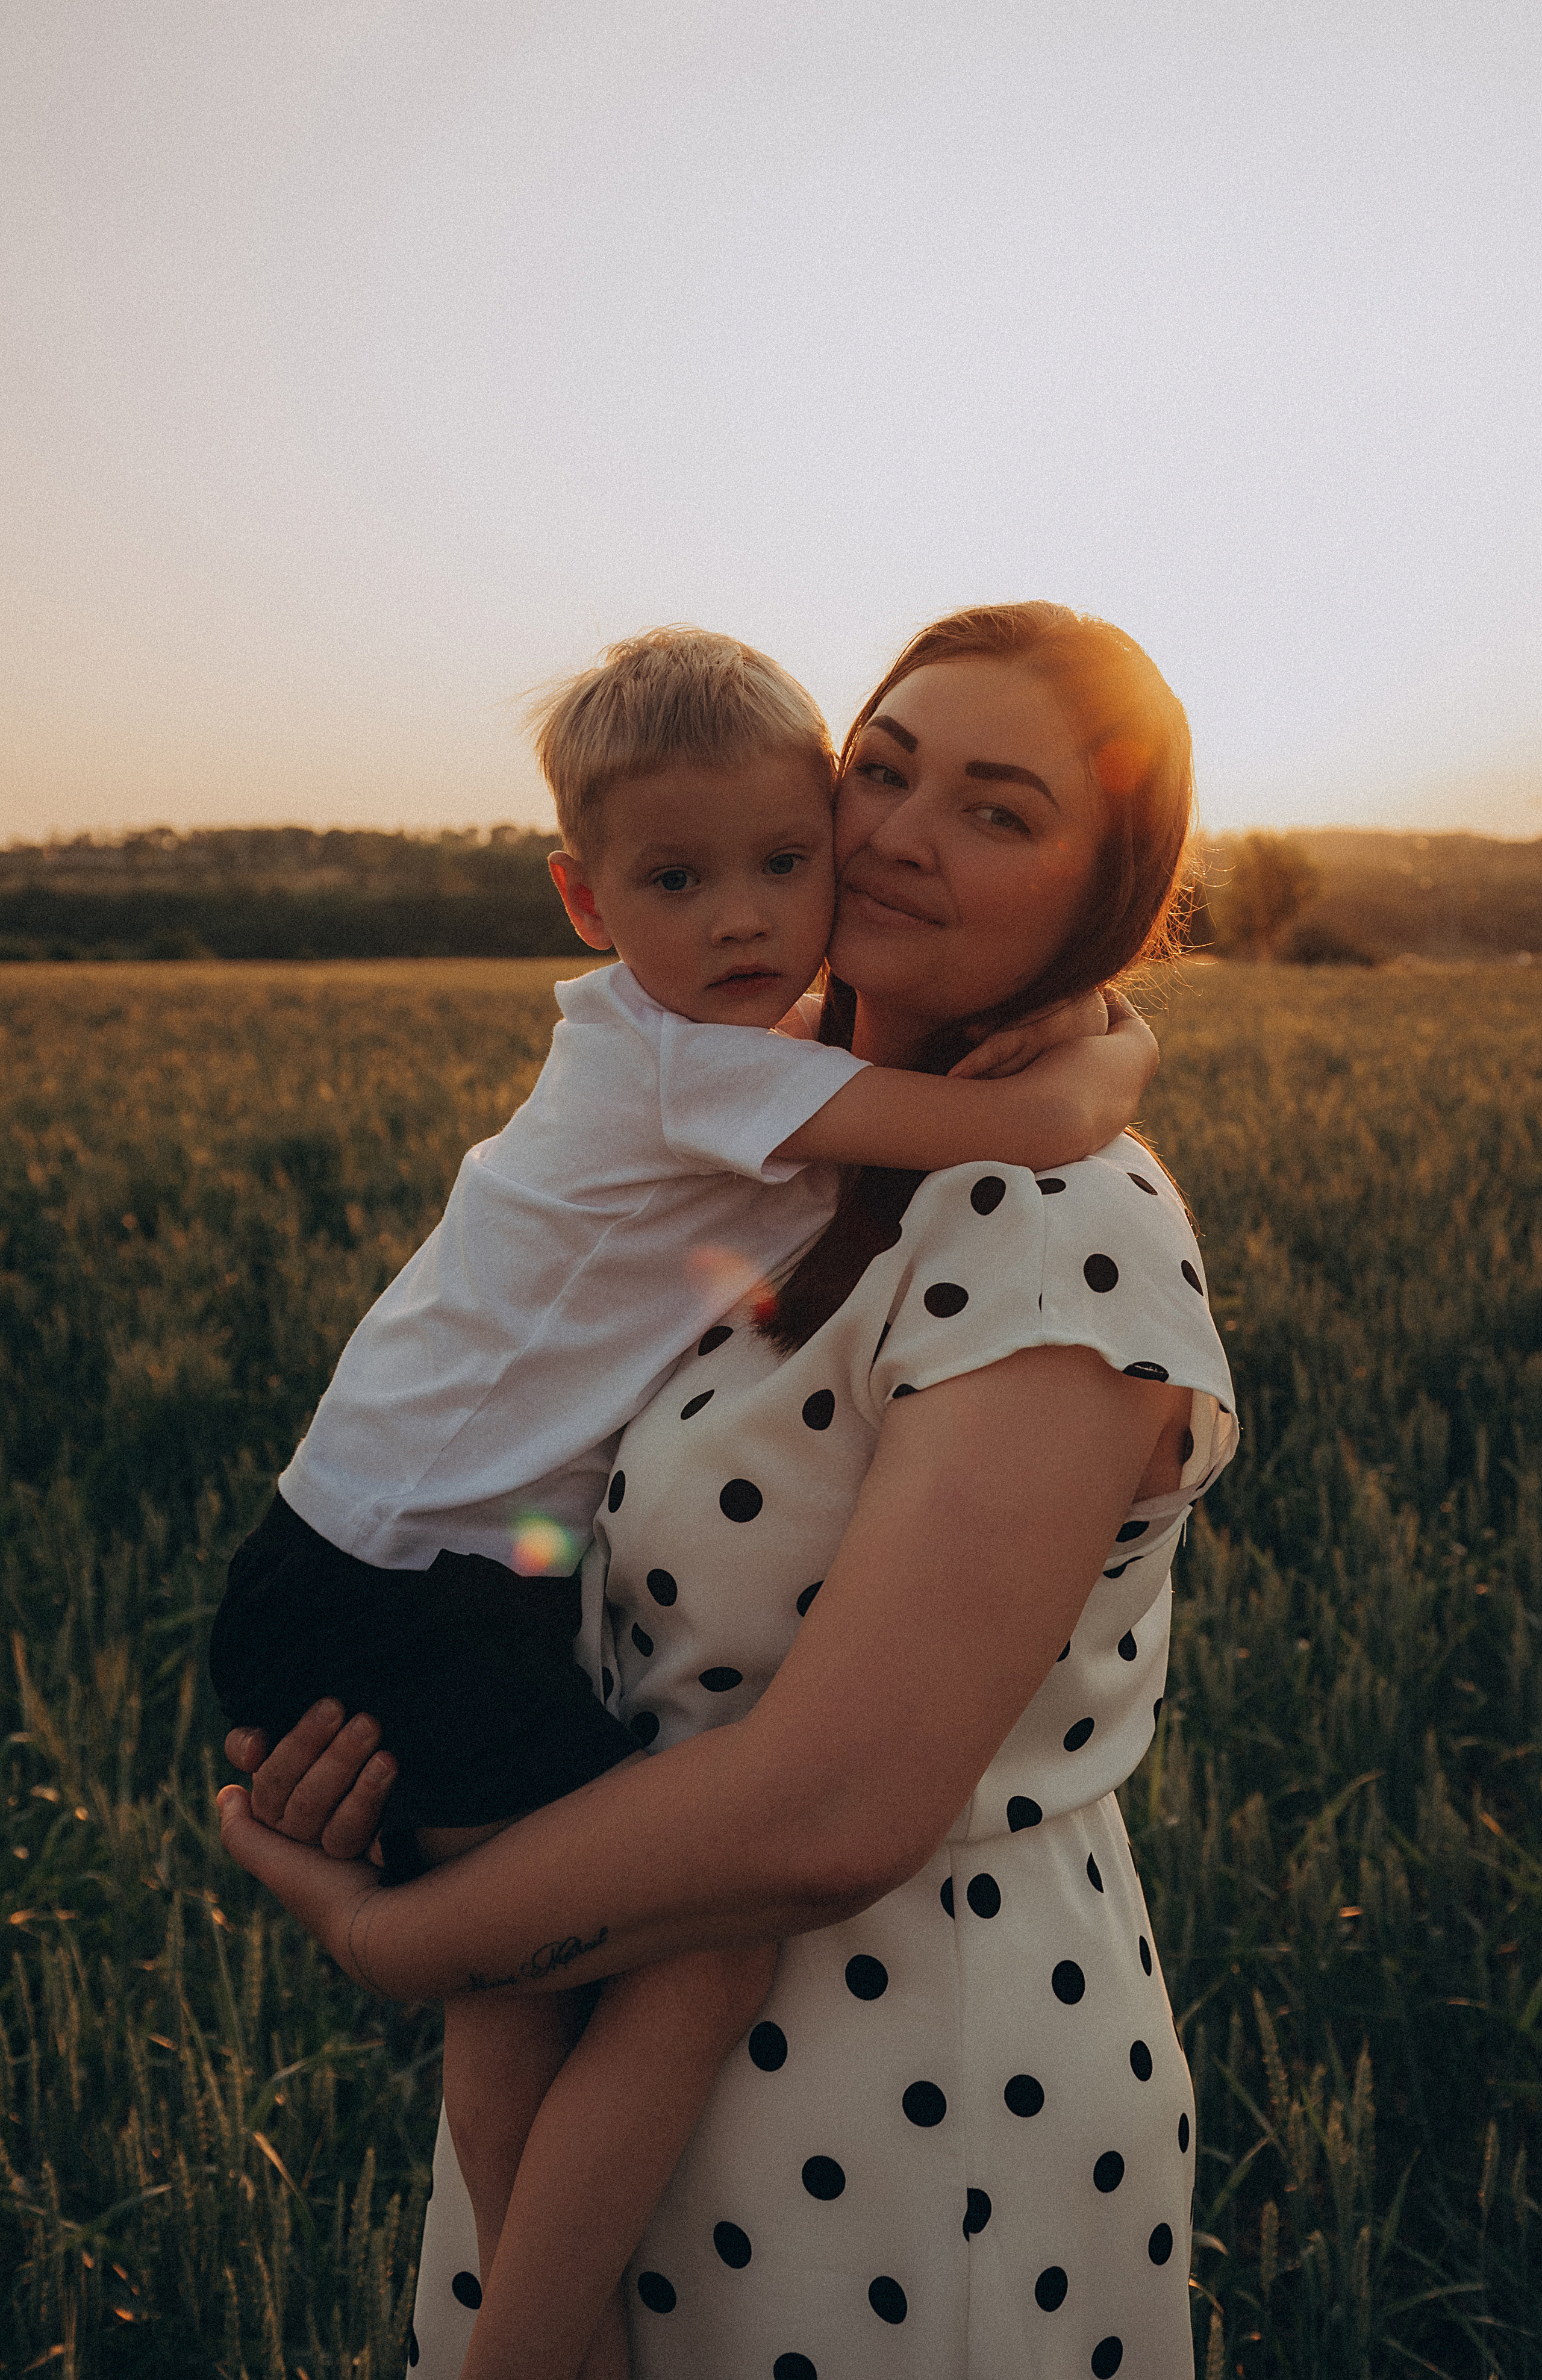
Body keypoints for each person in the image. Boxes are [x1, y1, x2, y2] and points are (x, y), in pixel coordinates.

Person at [219, 601, 1238, 2380]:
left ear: (1105, 889)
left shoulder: (1056, 1225)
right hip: (617, 2077)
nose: (905, 836)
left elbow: (831, 1817)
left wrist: (403, 1936)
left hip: (907, 2123)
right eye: (884, 773)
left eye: (999, 812)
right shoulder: (778, 1153)